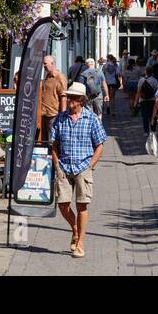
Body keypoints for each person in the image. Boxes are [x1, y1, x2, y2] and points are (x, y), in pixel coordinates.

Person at [50, 81, 107, 258]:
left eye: (73, 98)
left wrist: (91, 165)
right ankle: (74, 228)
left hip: (83, 167)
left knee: (82, 206)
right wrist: (57, 164)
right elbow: (54, 144)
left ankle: (80, 241)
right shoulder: (60, 118)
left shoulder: (91, 119)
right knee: (63, 204)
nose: (69, 101)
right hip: (64, 167)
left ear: (81, 100)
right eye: (68, 97)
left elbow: (100, 145)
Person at [39, 54, 69, 144]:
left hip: (53, 115)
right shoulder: (47, 76)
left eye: (45, 64)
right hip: (44, 113)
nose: (43, 66)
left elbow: (63, 97)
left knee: (53, 142)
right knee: (44, 141)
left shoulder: (60, 78)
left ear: (52, 63)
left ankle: (54, 158)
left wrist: (62, 116)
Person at [137, 65, 158, 134]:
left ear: (146, 72)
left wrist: (136, 101)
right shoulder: (154, 80)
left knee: (145, 116)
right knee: (153, 115)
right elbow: (157, 90)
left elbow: (138, 91)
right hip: (152, 100)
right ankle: (153, 129)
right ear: (152, 72)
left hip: (143, 100)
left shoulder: (141, 80)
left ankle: (146, 131)